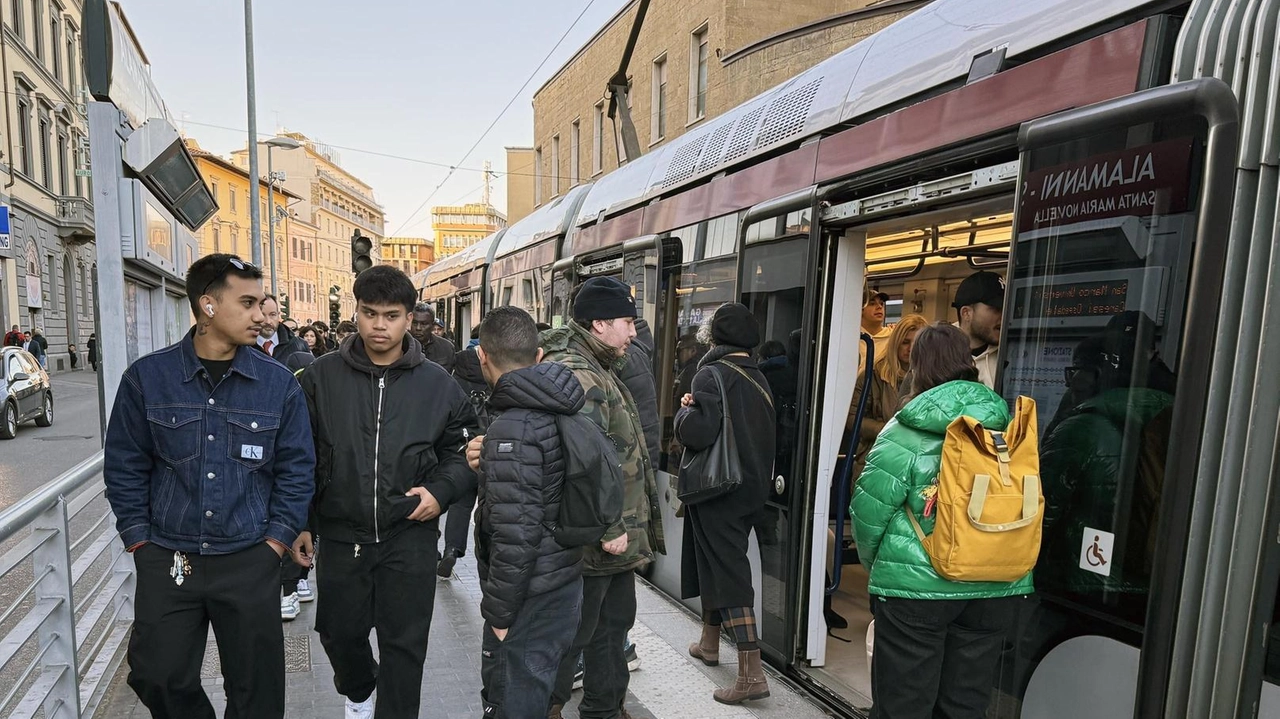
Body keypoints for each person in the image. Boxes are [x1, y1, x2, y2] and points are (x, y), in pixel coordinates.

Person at [102, 253, 315, 718]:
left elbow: (298, 470)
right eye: (248, 303)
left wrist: (276, 543)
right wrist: (141, 542)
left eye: (262, 303)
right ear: (208, 305)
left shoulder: (279, 385)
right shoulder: (147, 379)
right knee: (155, 673)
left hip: (250, 556)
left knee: (257, 693)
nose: (262, 315)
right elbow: (124, 465)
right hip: (170, 558)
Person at [294, 265, 476, 719]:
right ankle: (359, 692)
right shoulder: (318, 378)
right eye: (369, 313)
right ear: (355, 312)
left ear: (409, 318)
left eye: (391, 315)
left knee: (405, 647)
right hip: (341, 536)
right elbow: (297, 458)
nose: (379, 325)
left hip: (409, 536)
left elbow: (465, 453)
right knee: (337, 634)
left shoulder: (438, 384)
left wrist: (441, 492)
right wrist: (301, 522)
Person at [851, 323, 1031, 719]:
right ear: (967, 363)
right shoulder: (1007, 426)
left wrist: (881, 569)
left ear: (919, 366)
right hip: (996, 584)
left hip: (917, 588)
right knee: (965, 704)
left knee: (904, 704)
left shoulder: (904, 430)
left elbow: (868, 514)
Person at [543, 277, 665, 719]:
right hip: (599, 534)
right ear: (599, 324)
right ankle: (547, 707)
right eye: (627, 322)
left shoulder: (599, 364)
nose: (634, 333)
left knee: (612, 627)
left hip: (612, 535)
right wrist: (611, 526)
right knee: (578, 631)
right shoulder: (581, 371)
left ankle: (605, 707)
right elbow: (586, 457)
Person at [470, 306, 592, 718]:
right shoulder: (563, 405)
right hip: (563, 579)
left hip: (529, 596)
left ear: (482, 357)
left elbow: (514, 534)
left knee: (512, 701)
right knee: (538, 692)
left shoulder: (512, 428)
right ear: (538, 356)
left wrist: (500, 616)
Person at [676, 303, 777, 705]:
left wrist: (685, 414)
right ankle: (710, 642)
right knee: (717, 562)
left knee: (730, 573)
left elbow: (699, 433)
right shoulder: (759, 376)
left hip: (719, 489)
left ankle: (751, 674)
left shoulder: (709, 373)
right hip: (753, 488)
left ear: (714, 338)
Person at [437, 327, 489, 580]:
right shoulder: (495, 364)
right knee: (491, 504)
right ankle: (487, 558)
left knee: (462, 500)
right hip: (494, 441)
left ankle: (451, 548)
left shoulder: (457, 365)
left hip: (465, 442)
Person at [952, 271, 1004, 389]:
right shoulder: (936, 355)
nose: (1004, 316)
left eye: (1006, 308)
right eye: (996, 309)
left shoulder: (1012, 355)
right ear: (966, 313)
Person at [257, 294, 315, 375]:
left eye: (272, 315)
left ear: (278, 315)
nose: (268, 321)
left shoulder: (299, 345)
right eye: (262, 315)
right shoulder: (243, 346)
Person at [410, 302, 456, 372]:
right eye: (414, 323)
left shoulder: (447, 347)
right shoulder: (399, 346)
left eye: (424, 324)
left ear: (432, 325)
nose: (418, 328)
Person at [861, 288, 893, 357]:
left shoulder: (893, 336)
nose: (879, 307)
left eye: (881, 304)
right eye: (872, 304)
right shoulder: (852, 337)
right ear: (861, 310)